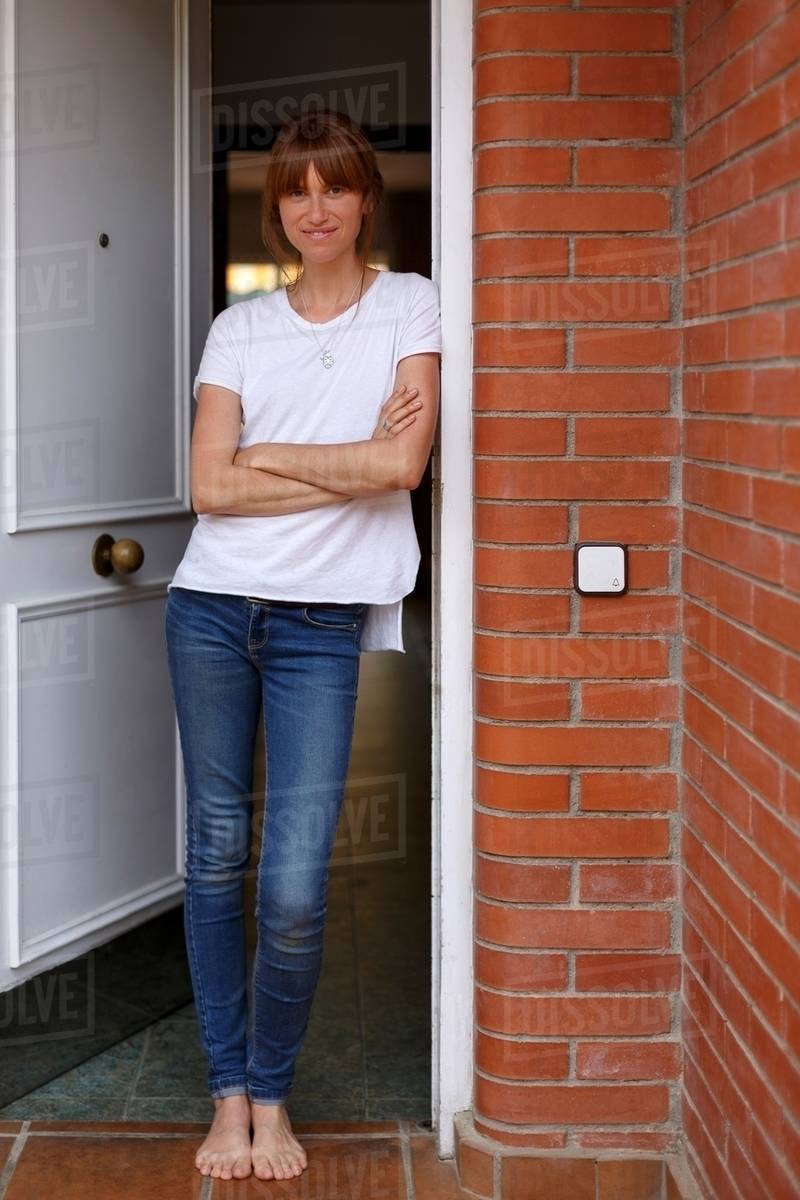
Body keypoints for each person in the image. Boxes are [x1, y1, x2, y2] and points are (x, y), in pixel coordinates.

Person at [163, 106, 442, 1183]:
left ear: (365, 197)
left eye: (333, 187)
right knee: (215, 857)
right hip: (210, 613)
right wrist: (342, 452)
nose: (313, 207)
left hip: (320, 627)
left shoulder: (410, 307)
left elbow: (401, 470)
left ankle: (273, 1092)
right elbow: (206, 487)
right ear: (276, 206)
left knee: (290, 884)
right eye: (294, 190)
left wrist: (269, 454)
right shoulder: (239, 329)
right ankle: (228, 1095)